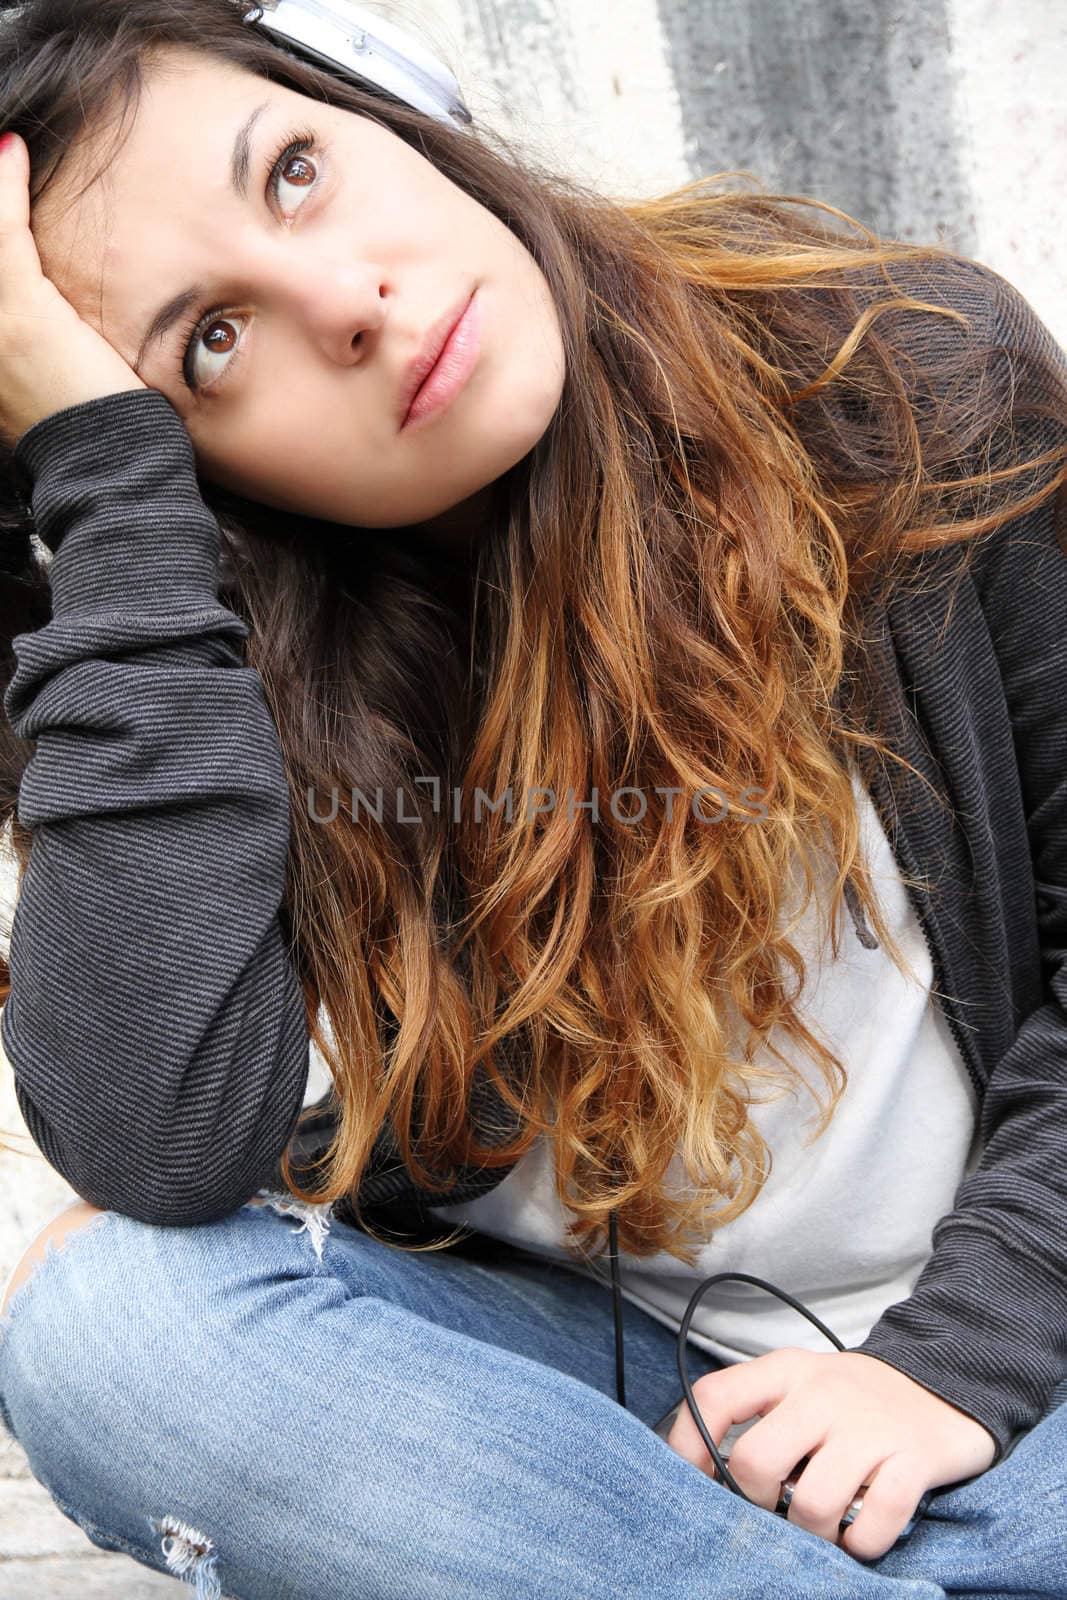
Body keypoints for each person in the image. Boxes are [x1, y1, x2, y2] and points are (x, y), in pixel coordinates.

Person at [0, 0, 1064, 1594]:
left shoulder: (899, 383)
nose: (342, 303)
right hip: (634, 1403)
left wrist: (946, 1373)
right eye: (204, 344)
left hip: (1029, 1343)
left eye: (294, 171)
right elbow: (157, 1150)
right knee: (104, 1327)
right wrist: (108, 494)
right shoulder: (194, 660)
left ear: (393, 107)